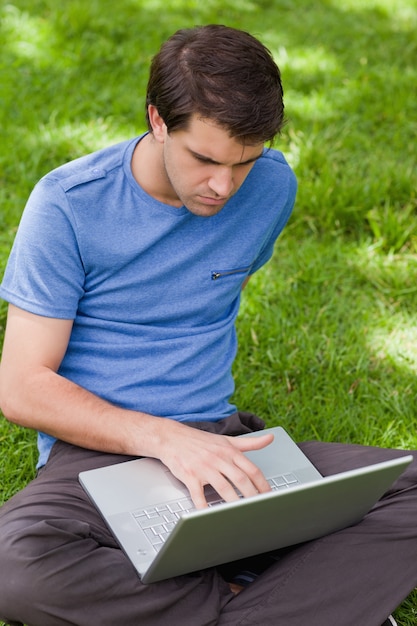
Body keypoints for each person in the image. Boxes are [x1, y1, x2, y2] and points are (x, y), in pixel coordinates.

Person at [0, 24, 415, 626]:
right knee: (17, 569)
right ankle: (267, 599)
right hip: (95, 455)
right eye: (205, 159)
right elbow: (21, 386)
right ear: (158, 120)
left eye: (243, 162)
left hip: (225, 442)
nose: (223, 186)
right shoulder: (67, 205)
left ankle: (221, 595)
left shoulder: (271, 186)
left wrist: (200, 442)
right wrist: (165, 439)